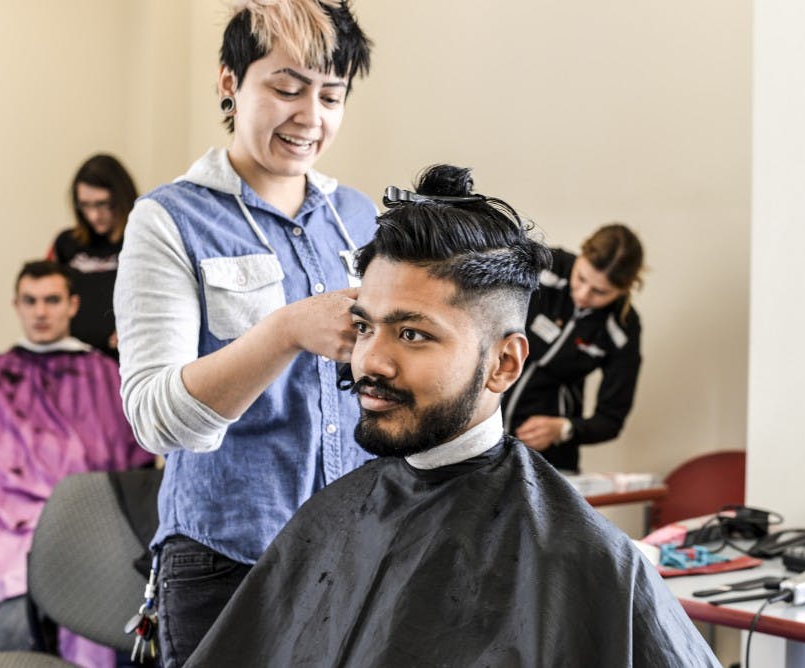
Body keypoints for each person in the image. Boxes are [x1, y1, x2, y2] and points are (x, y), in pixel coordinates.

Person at [185, 165, 721, 667]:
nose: (370, 361)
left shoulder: (586, 561)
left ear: (504, 363)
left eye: (413, 334)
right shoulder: (327, 520)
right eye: (365, 327)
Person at [113, 1, 374, 664]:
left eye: (331, 96)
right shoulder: (170, 220)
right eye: (285, 88)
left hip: (361, 553)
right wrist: (284, 330)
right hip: (227, 561)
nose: (309, 118)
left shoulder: (358, 218)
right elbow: (155, 419)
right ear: (230, 82)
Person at [0, 261, 152, 657]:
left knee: (24, 624)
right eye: (30, 301)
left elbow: (133, 471)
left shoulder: (108, 377)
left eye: (51, 300)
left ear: (72, 305)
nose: (40, 312)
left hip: (75, 530)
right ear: (15, 305)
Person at [502, 223, 645, 473]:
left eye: (600, 292)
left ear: (624, 289)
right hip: (482, 428)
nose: (582, 294)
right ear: (582, 254)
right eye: (580, 278)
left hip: (547, 457)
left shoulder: (622, 328)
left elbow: (610, 420)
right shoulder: (545, 267)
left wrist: (564, 428)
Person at [48, 153, 139, 358]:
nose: (94, 216)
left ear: (121, 198)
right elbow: (44, 292)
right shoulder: (66, 243)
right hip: (70, 361)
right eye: (85, 205)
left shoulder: (141, 243)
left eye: (102, 204)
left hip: (122, 363)